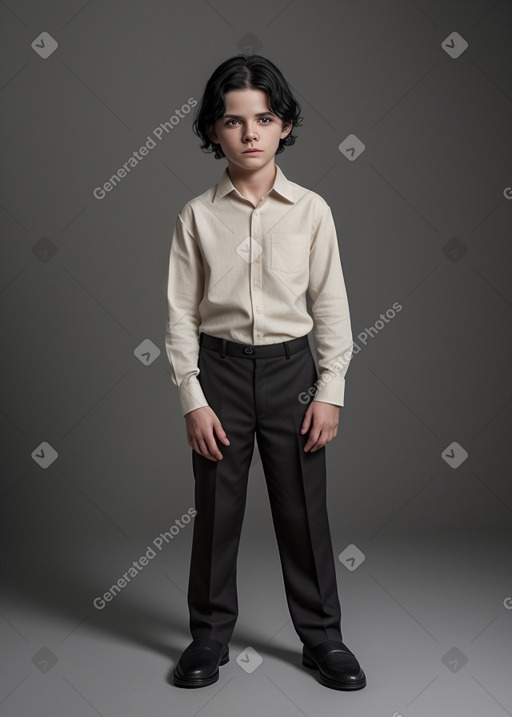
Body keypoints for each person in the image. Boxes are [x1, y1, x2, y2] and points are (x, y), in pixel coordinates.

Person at [165, 54, 366, 691]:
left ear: (284, 127)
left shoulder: (311, 211)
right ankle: (208, 637)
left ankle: (323, 639)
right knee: (216, 512)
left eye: (265, 118)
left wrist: (330, 389)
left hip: (292, 373)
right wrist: (192, 398)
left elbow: (331, 305)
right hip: (219, 374)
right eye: (233, 120)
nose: (250, 132)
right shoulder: (197, 216)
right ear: (212, 131)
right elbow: (178, 315)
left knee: (305, 512)